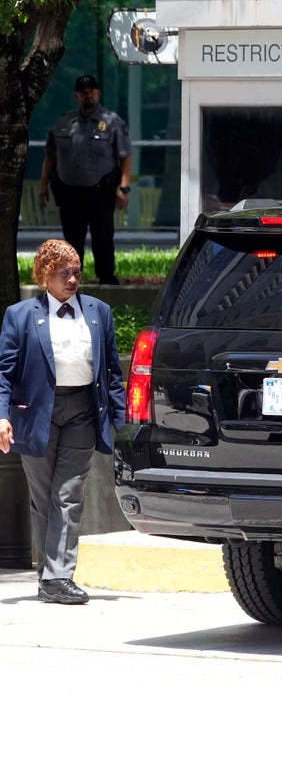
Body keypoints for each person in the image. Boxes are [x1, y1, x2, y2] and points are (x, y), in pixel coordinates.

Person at [0, 240, 126, 604]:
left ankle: (58, 575)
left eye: (76, 273)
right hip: (36, 414)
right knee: (43, 498)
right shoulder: (20, 315)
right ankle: (49, 578)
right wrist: (2, 415)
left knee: (68, 495)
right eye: (63, 273)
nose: (72, 279)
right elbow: (4, 372)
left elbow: (113, 374)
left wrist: (124, 425)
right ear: (43, 276)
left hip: (83, 410)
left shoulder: (99, 311)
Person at [39, 74, 132, 285]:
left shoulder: (112, 122)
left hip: (100, 192)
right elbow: (51, 157)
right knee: (72, 242)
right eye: (83, 93)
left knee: (103, 239)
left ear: (98, 94)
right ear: (76, 96)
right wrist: (43, 186)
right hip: (69, 193)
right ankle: (71, 282)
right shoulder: (63, 123)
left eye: (91, 92)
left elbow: (125, 157)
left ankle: (106, 280)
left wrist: (124, 188)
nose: (87, 96)